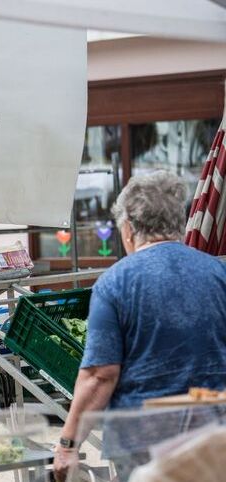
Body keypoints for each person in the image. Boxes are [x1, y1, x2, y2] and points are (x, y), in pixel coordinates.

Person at [53, 171, 226, 481]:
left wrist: (68, 444)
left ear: (129, 229)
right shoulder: (219, 273)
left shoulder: (114, 284)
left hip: (143, 440)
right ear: (177, 224)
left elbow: (99, 376)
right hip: (215, 435)